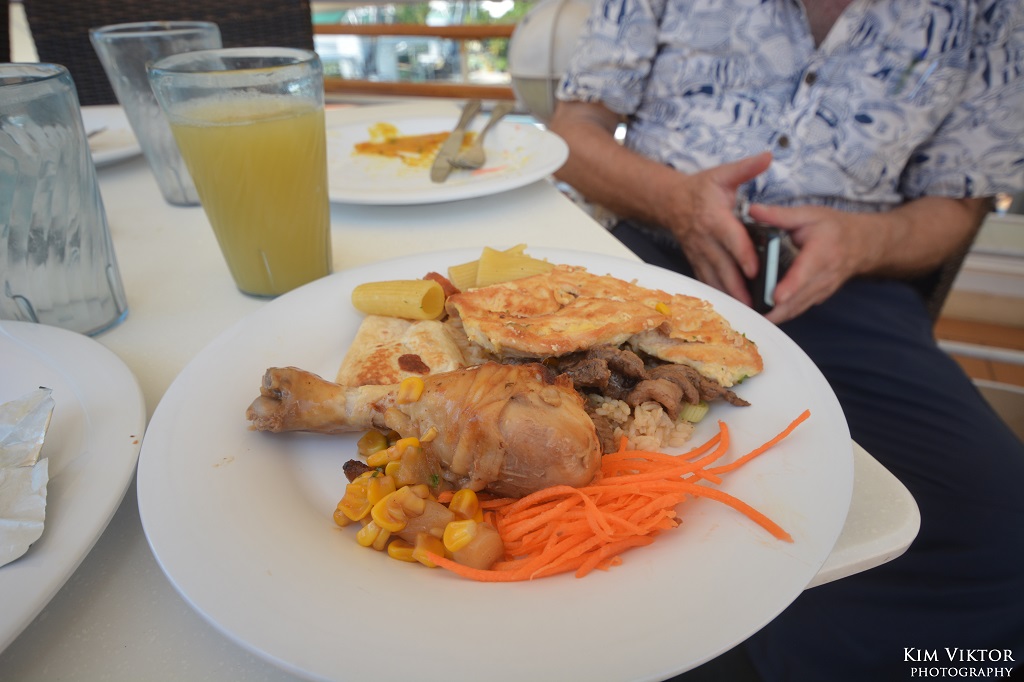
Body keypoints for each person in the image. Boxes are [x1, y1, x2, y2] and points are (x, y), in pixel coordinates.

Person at [547, 1, 1024, 680]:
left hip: (846, 284)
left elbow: (958, 202)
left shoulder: (990, 12)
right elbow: (574, 129)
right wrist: (675, 201)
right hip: (646, 259)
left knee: (1001, 534)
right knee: (571, 477)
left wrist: (865, 242)